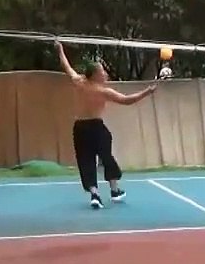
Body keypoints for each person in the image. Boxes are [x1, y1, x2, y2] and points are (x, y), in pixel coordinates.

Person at [55, 41, 158, 209]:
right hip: (95, 127)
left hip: (80, 129)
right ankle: (113, 190)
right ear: (95, 75)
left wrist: (60, 50)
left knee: (86, 160)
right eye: (102, 71)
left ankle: (97, 194)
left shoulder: (78, 82)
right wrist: (147, 92)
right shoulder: (103, 91)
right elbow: (127, 100)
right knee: (106, 157)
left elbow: (67, 66)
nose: (105, 73)